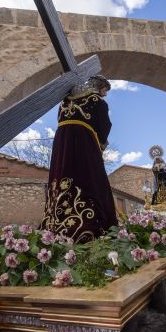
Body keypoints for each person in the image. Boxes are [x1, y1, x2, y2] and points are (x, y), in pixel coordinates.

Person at [40, 75, 117, 243]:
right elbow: (104, 127)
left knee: (61, 178)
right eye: (105, 90)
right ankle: (93, 227)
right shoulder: (97, 101)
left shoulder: (64, 102)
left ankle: (55, 224)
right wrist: (102, 144)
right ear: (100, 87)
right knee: (90, 179)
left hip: (62, 146)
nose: (105, 94)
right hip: (84, 145)